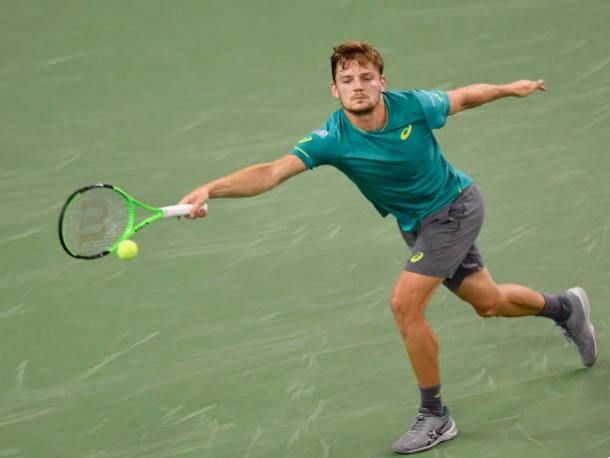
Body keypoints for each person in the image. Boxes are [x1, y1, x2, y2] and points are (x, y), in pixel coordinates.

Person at [178, 40, 597, 454]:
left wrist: (509, 88)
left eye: (366, 77)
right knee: (487, 302)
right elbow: (271, 172)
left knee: (405, 304)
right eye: (347, 79)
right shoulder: (331, 138)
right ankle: (566, 308)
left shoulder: (412, 106)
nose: (357, 86)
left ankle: (435, 415)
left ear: (382, 82)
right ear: (335, 90)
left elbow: (465, 98)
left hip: (454, 209)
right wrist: (211, 189)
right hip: (417, 225)